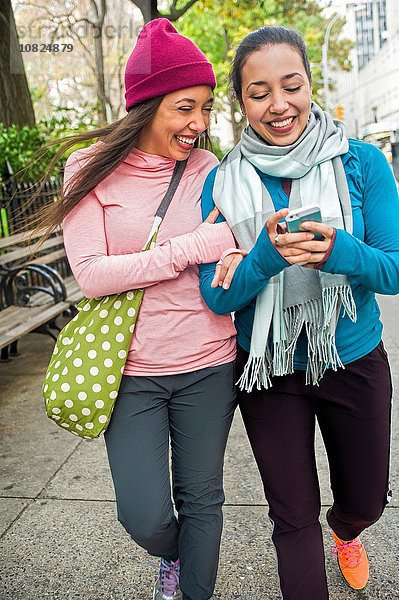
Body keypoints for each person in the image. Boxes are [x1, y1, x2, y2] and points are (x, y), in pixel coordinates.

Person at [37, 19, 240, 600]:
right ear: (146, 105)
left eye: (204, 108)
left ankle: (192, 586)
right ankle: (170, 554)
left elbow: (234, 246)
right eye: (185, 108)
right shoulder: (88, 168)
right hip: (131, 371)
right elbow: (93, 276)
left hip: (209, 360)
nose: (198, 124)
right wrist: (189, 249)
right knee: (144, 514)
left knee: (204, 499)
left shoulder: (209, 171)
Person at [199, 25, 398, 600]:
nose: (278, 105)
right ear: (240, 102)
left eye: (292, 86)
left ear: (311, 84)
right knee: (291, 516)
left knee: (366, 497)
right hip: (267, 371)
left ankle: (347, 530)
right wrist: (263, 256)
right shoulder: (220, 183)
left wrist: (340, 250)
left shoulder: (361, 162)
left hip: (353, 358)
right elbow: (216, 296)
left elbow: (396, 266)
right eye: (258, 92)